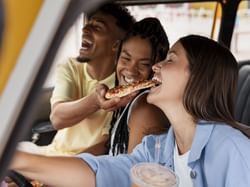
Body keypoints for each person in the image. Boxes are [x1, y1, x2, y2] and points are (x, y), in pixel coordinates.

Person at [10, 35, 250, 187]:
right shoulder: (156, 149)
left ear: (198, 78)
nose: (156, 66)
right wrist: (15, 158)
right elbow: (98, 173)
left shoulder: (233, 150)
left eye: (170, 60)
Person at [17, 2, 135, 156]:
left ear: (116, 45)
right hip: (53, 154)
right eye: (88, 24)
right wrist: (95, 101)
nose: (85, 29)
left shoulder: (123, 87)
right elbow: (58, 118)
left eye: (97, 27)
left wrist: (60, 171)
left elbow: (106, 145)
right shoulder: (70, 67)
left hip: (86, 164)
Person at [95, 17, 170, 156]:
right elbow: (112, 147)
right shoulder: (126, 100)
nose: (130, 70)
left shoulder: (145, 109)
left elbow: (132, 172)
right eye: (126, 58)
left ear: (156, 68)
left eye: (144, 64)